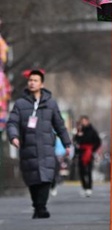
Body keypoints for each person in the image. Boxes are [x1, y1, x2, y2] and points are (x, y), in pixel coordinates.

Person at [6, 69, 71, 218]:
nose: (32, 83)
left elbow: (59, 125)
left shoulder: (51, 104)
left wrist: (67, 143)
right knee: (32, 179)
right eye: (30, 80)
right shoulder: (20, 104)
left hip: (47, 147)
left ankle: (41, 207)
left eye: (35, 80)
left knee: (46, 178)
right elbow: (12, 123)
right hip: (27, 148)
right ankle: (37, 206)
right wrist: (14, 137)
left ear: (42, 84)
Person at [73, 115, 101, 196]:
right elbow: (75, 141)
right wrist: (78, 135)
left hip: (89, 152)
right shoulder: (79, 130)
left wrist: (93, 150)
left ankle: (89, 187)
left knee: (88, 171)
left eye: (85, 121)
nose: (83, 122)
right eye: (82, 121)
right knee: (81, 171)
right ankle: (84, 187)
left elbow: (98, 141)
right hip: (81, 152)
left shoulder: (92, 130)